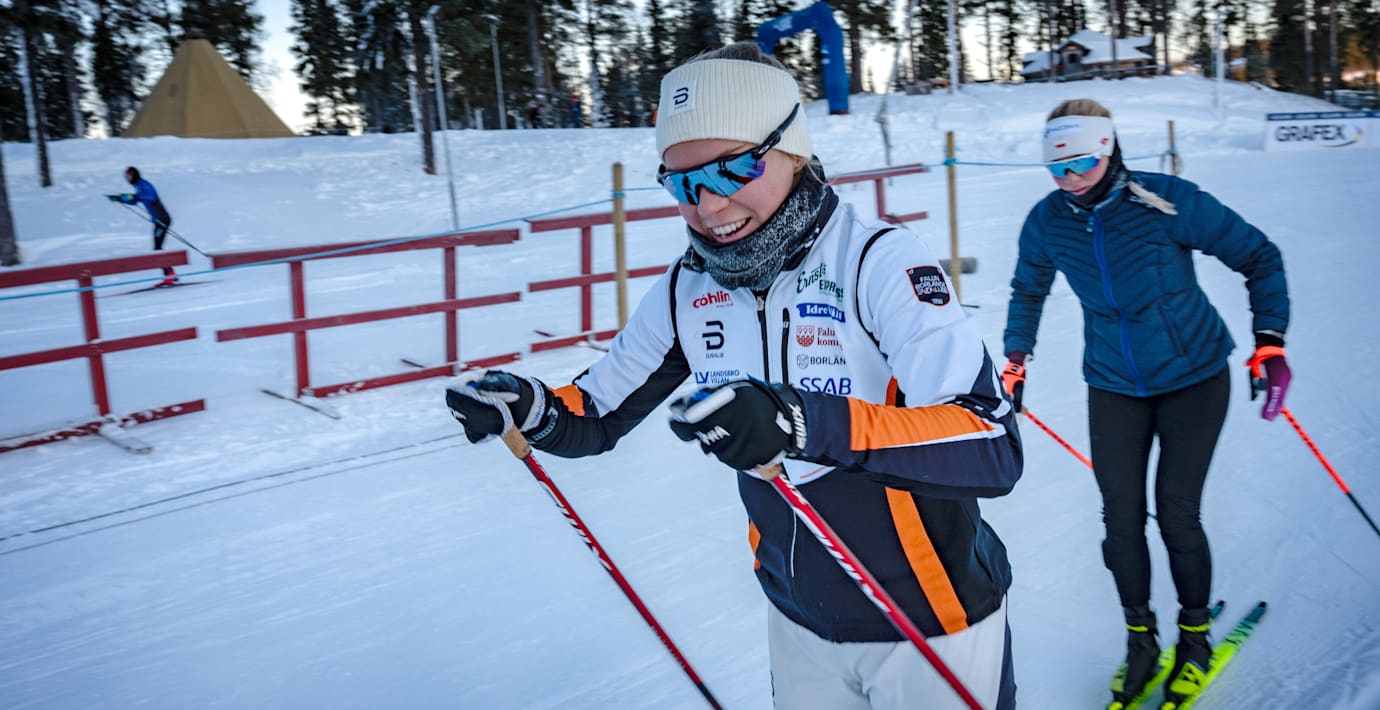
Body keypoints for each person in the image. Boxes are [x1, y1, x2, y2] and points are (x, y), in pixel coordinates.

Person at [446, 42, 1022, 710]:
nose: (709, 207)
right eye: (683, 184)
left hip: (932, 624)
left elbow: (989, 445)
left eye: (732, 171)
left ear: (791, 149)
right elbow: (595, 415)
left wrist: (801, 423)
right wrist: (528, 406)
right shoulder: (688, 288)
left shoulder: (877, 261)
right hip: (798, 623)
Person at [1001, 98, 1290, 708]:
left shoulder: (1165, 200)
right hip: (1112, 383)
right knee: (1120, 519)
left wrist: (1270, 342)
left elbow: (1259, 255)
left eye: (1081, 163)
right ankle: (1141, 641)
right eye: (1058, 169)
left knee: (1176, 512)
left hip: (1194, 377)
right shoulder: (1049, 220)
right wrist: (1015, 357)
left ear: (1108, 151)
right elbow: (1028, 289)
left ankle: (1194, 638)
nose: (1070, 179)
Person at [108, 166, 177, 285]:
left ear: (134, 175)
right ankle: (170, 275)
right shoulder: (139, 186)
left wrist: (127, 196)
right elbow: (135, 200)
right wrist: (120, 198)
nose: (127, 178)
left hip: (162, 219)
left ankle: (170, 275)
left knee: (157, 248)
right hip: (158, 220)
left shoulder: (143, 184)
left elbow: (149, 197)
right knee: (157, 248)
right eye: (126, 176)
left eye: (128, 176)